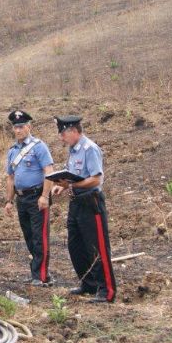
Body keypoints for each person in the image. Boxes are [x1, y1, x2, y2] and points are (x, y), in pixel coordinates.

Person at [51, 116, 116, 303]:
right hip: (76, 202)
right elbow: (75, 176)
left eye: (63, 134)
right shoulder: (73, 150)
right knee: (76, 245)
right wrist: (62, 185)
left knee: (97, 247)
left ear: (73, 131)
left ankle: (106, 290)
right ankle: (89, 283)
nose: (61, 138)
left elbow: (96, 179)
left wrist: (73, 185)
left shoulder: (90, 149)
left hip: (90, 202)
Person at [3, 110, 55, 286]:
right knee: (29, 237)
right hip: (22, 199)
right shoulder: (12, 151)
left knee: (40, 237)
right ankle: (37, 272)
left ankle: (40, 276)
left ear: (29, 127)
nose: (18, 130)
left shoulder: (39, 147)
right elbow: (10, 178)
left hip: (37, 197)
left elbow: (49, 171)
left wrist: (44, 196)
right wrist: (9, 201)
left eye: (21, 126)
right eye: (15, 127)